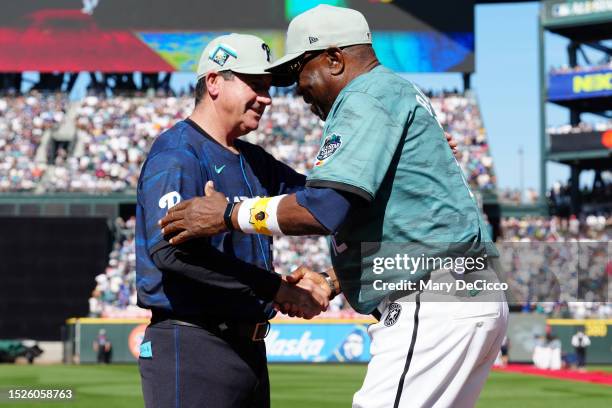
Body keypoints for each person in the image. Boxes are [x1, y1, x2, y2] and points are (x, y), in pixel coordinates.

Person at [160, 5, 508, 408]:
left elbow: (323, 207)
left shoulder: (364, 96)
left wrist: (228, 215)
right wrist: (332, 279)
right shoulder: (395, 92)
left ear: (334, 58)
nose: (296, 90)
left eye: (299, 73)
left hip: (433, 302)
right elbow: (390, 220)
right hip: (461, 293)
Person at [135, 33, 330, 408]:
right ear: (213, 82)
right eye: (255, 84)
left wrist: (405, 160)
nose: (267, 97)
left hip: (249, 349)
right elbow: (172, 253)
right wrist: (275, 287)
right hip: (193, 346)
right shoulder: (178, 153)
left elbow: (324, 204)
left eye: (269, 87)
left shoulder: (255, 160)